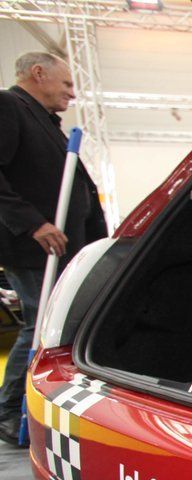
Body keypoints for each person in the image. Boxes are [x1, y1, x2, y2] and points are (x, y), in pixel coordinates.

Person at [0, 52, 108, 445]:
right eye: (66, 84)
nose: (72, 93)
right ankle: (9, 412)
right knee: (39, 327)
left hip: (63, 246)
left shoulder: (46, 121)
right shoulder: (9, 106)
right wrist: (33, 223)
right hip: (34, 248)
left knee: (53, 327)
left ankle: (36, 404)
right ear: (38, 73)